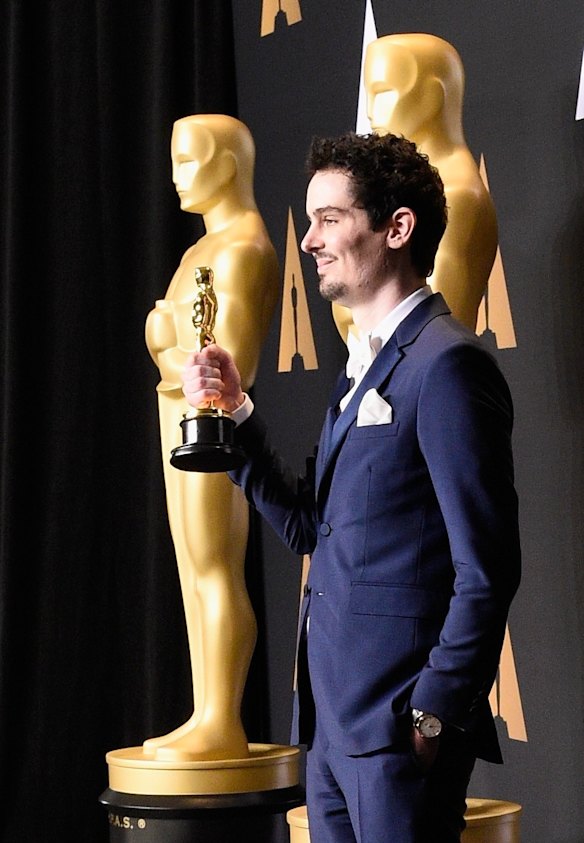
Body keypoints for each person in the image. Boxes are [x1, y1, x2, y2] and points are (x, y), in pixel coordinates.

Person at [181, 131, 521, 841]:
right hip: (332, 731)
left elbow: (488, 569)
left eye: (329, 219)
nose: (309, 241)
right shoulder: (358, 369)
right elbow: (311, 528)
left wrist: (432, 714)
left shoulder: (447, 365)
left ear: (397, 228)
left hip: (398, 735)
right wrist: (236, 413)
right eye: (310, 221)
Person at [144, 114, 279, 760]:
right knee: (193, 567)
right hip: (180, 417)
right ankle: (207, 711)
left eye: (189, 160)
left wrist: (161, 343)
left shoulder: (242, 249)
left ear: (226, 164)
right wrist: (171, 352)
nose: (176, 175)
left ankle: (221, 717)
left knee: (214, 564)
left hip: (209, 423)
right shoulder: (205, 248)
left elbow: (232, 368)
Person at [333, 33, 497, 342]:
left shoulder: (456, 195)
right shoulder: (402, 190)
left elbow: (430, 333)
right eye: (369, 95)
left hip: (418, 370)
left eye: (383, 93)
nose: (370, 111)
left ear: (432, 97)